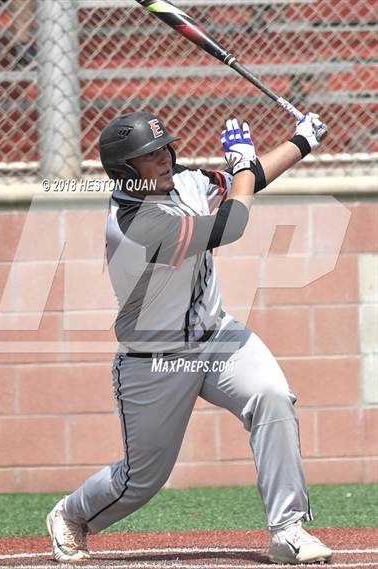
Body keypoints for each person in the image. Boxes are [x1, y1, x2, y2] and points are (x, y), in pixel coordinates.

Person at [46, 110, 333, 565]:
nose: (163, 159)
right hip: (155, 358)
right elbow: (230, 225)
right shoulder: (137, 222)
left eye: (164, 149)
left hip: (217, 336)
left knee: (272, 396)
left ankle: (288, 529)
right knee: (142, 479)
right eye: (149, 156)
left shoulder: (182, 180)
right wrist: (241, 165)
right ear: (124, 170)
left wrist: (302, 141)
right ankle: (71, 516)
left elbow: (247, 182)